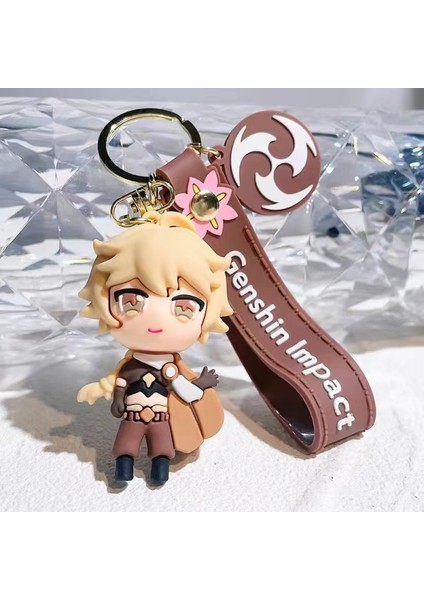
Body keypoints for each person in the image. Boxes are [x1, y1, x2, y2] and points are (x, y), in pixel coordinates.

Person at [77, 211, 232, 485]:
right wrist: (112, 395)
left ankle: (160, 470)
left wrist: (201, 384)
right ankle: (123, 469)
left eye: (184, 307)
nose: (156, 320)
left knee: (162, 446)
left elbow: (185, 391)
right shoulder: (130, 367)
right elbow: (119, 382)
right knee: (126, 443)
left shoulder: (173, 370)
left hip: (161, 417)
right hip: (133, 415)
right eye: (132, 302)